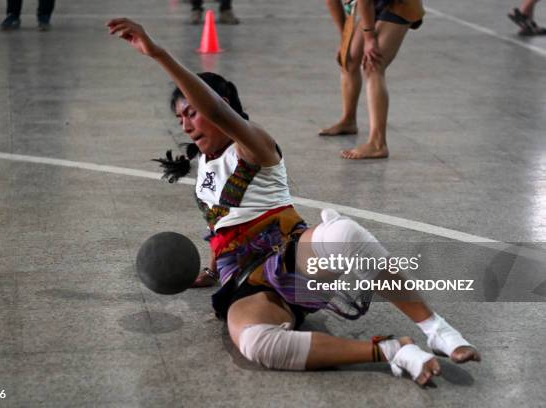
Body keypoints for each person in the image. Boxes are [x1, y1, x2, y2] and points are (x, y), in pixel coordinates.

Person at [107, 17, 480, 385]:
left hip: (291, 257)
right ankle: (392, 352)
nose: (186, 124)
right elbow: (219, 224)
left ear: (218, 105)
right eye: (180, 117)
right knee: (256, 344)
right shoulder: (203, 163)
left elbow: (219, 114)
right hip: (242, 277)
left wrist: (158, 54)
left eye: (192, 112)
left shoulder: (253, 145)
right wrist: (210, 270)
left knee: (343, 236)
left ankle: (436, 329)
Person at [319, 0, 424, 159]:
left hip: (400, 3)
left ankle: (377, 143)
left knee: (373, 64)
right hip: (373, 4)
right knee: (348, 59)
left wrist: (369, 39)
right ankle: (348, 121)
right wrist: (344, 38)